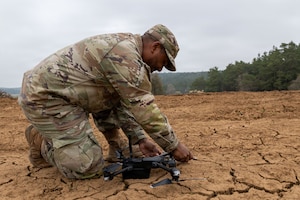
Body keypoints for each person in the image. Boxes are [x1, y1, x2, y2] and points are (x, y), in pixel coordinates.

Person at [18, 24, 194, 179]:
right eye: (164, 62)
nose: (160, 68)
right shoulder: (125, 57)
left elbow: (119, 103)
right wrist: (173, 145)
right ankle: (41, 141)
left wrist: (139, 139)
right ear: (155, 47)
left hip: (67, 97)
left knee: (110, 97)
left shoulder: (127, 50)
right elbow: (144, 109)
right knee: (86, 167)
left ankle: (115, 145)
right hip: (45, 98)